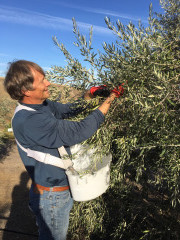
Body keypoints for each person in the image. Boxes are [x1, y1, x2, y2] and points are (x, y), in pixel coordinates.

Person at [4, 60, 123, 240]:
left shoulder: (41, 105)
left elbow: (68, 110)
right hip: (52, 196)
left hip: (53, 190)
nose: (48, 83)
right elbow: (79, 130)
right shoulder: (29, 119)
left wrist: (90, 94)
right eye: (42, 80)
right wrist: (110, 100)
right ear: (26, 91)